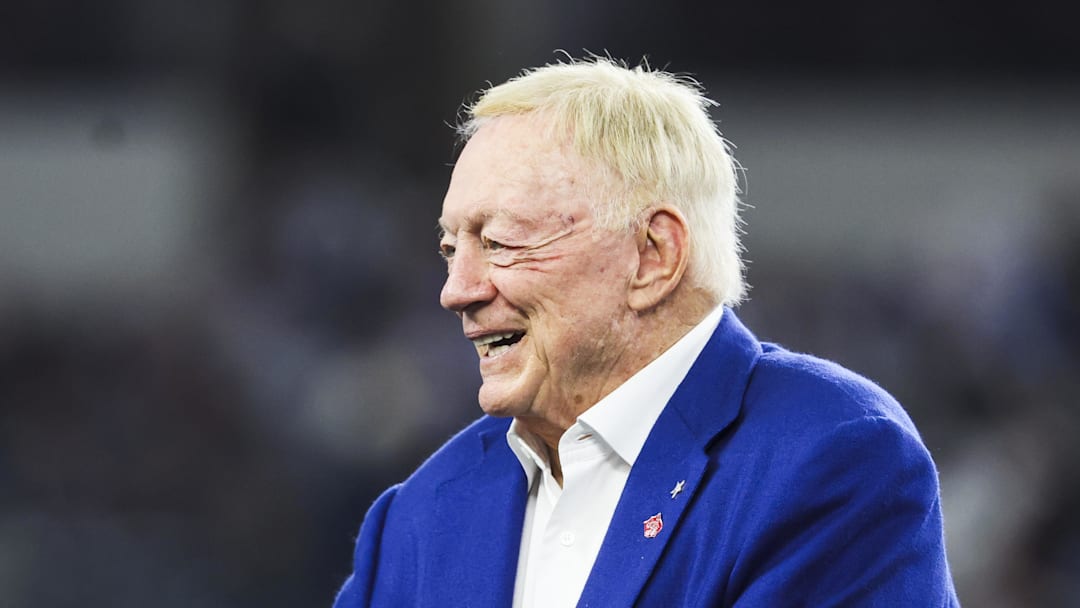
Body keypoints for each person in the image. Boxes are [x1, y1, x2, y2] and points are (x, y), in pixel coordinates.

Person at [333, 57, 959, 607]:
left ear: (653, 255)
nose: (457, 290)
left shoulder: (833, 459)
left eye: (500, 243)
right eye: (450, 249)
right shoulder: (419, 515)